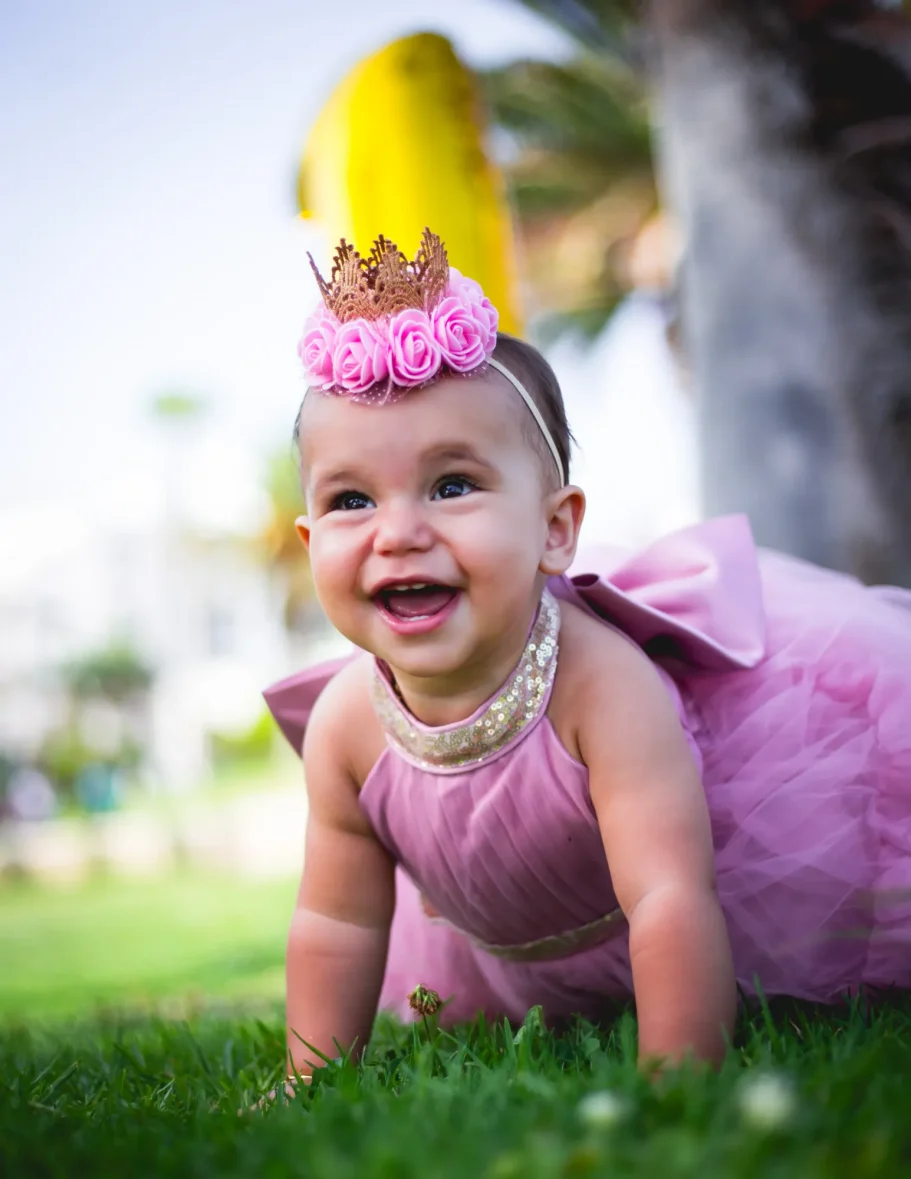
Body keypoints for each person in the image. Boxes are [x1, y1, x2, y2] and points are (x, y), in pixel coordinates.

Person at [264, 229, 911, 1083]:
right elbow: (335, 923)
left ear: (554, 528)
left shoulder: (599, 683)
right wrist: (307, 1079)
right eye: (351, 499)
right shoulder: (346, 724)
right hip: (514, 949)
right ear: (310, 541)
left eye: (452, 484)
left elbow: (667, 893)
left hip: (687, 907)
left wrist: (676, 1079)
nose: (399, 532)